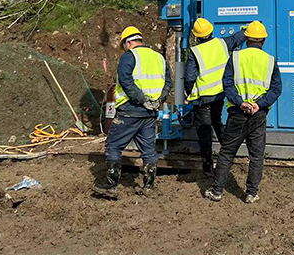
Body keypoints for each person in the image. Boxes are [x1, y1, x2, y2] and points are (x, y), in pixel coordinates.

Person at [204, 21, 282, 204]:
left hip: (238, 114)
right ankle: (251, 193)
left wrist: (241, 103)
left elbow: (227, 85)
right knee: (256, 155)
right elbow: (276, 89)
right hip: (258, 115)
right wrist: (259, 104)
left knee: (227, 153)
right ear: (262, 40)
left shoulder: (236, 58)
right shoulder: (270, 61)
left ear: (246, 39)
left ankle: (217, 191)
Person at [94, 26, 171, 198]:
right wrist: (157, 101)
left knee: (113, 146)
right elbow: (168, 83)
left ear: (128, 42)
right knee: (148, 150)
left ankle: (111, 185)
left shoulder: (129, 57)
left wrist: (141, 100)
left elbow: (127, 82)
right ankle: (149, 186)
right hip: (150, 112)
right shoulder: (159, 58)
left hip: (130, 111)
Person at [185, 18, 246, 177]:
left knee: (204, 131)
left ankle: (208, 167)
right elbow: (239, 37)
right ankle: (227, 157)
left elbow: (190, 77)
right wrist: (248, 28)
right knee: (217, 122)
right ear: (211, 31)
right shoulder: (222, 43)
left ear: (197, 36)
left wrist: (189, 93)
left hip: (204, 98)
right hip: (220, 95)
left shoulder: (195, 52)